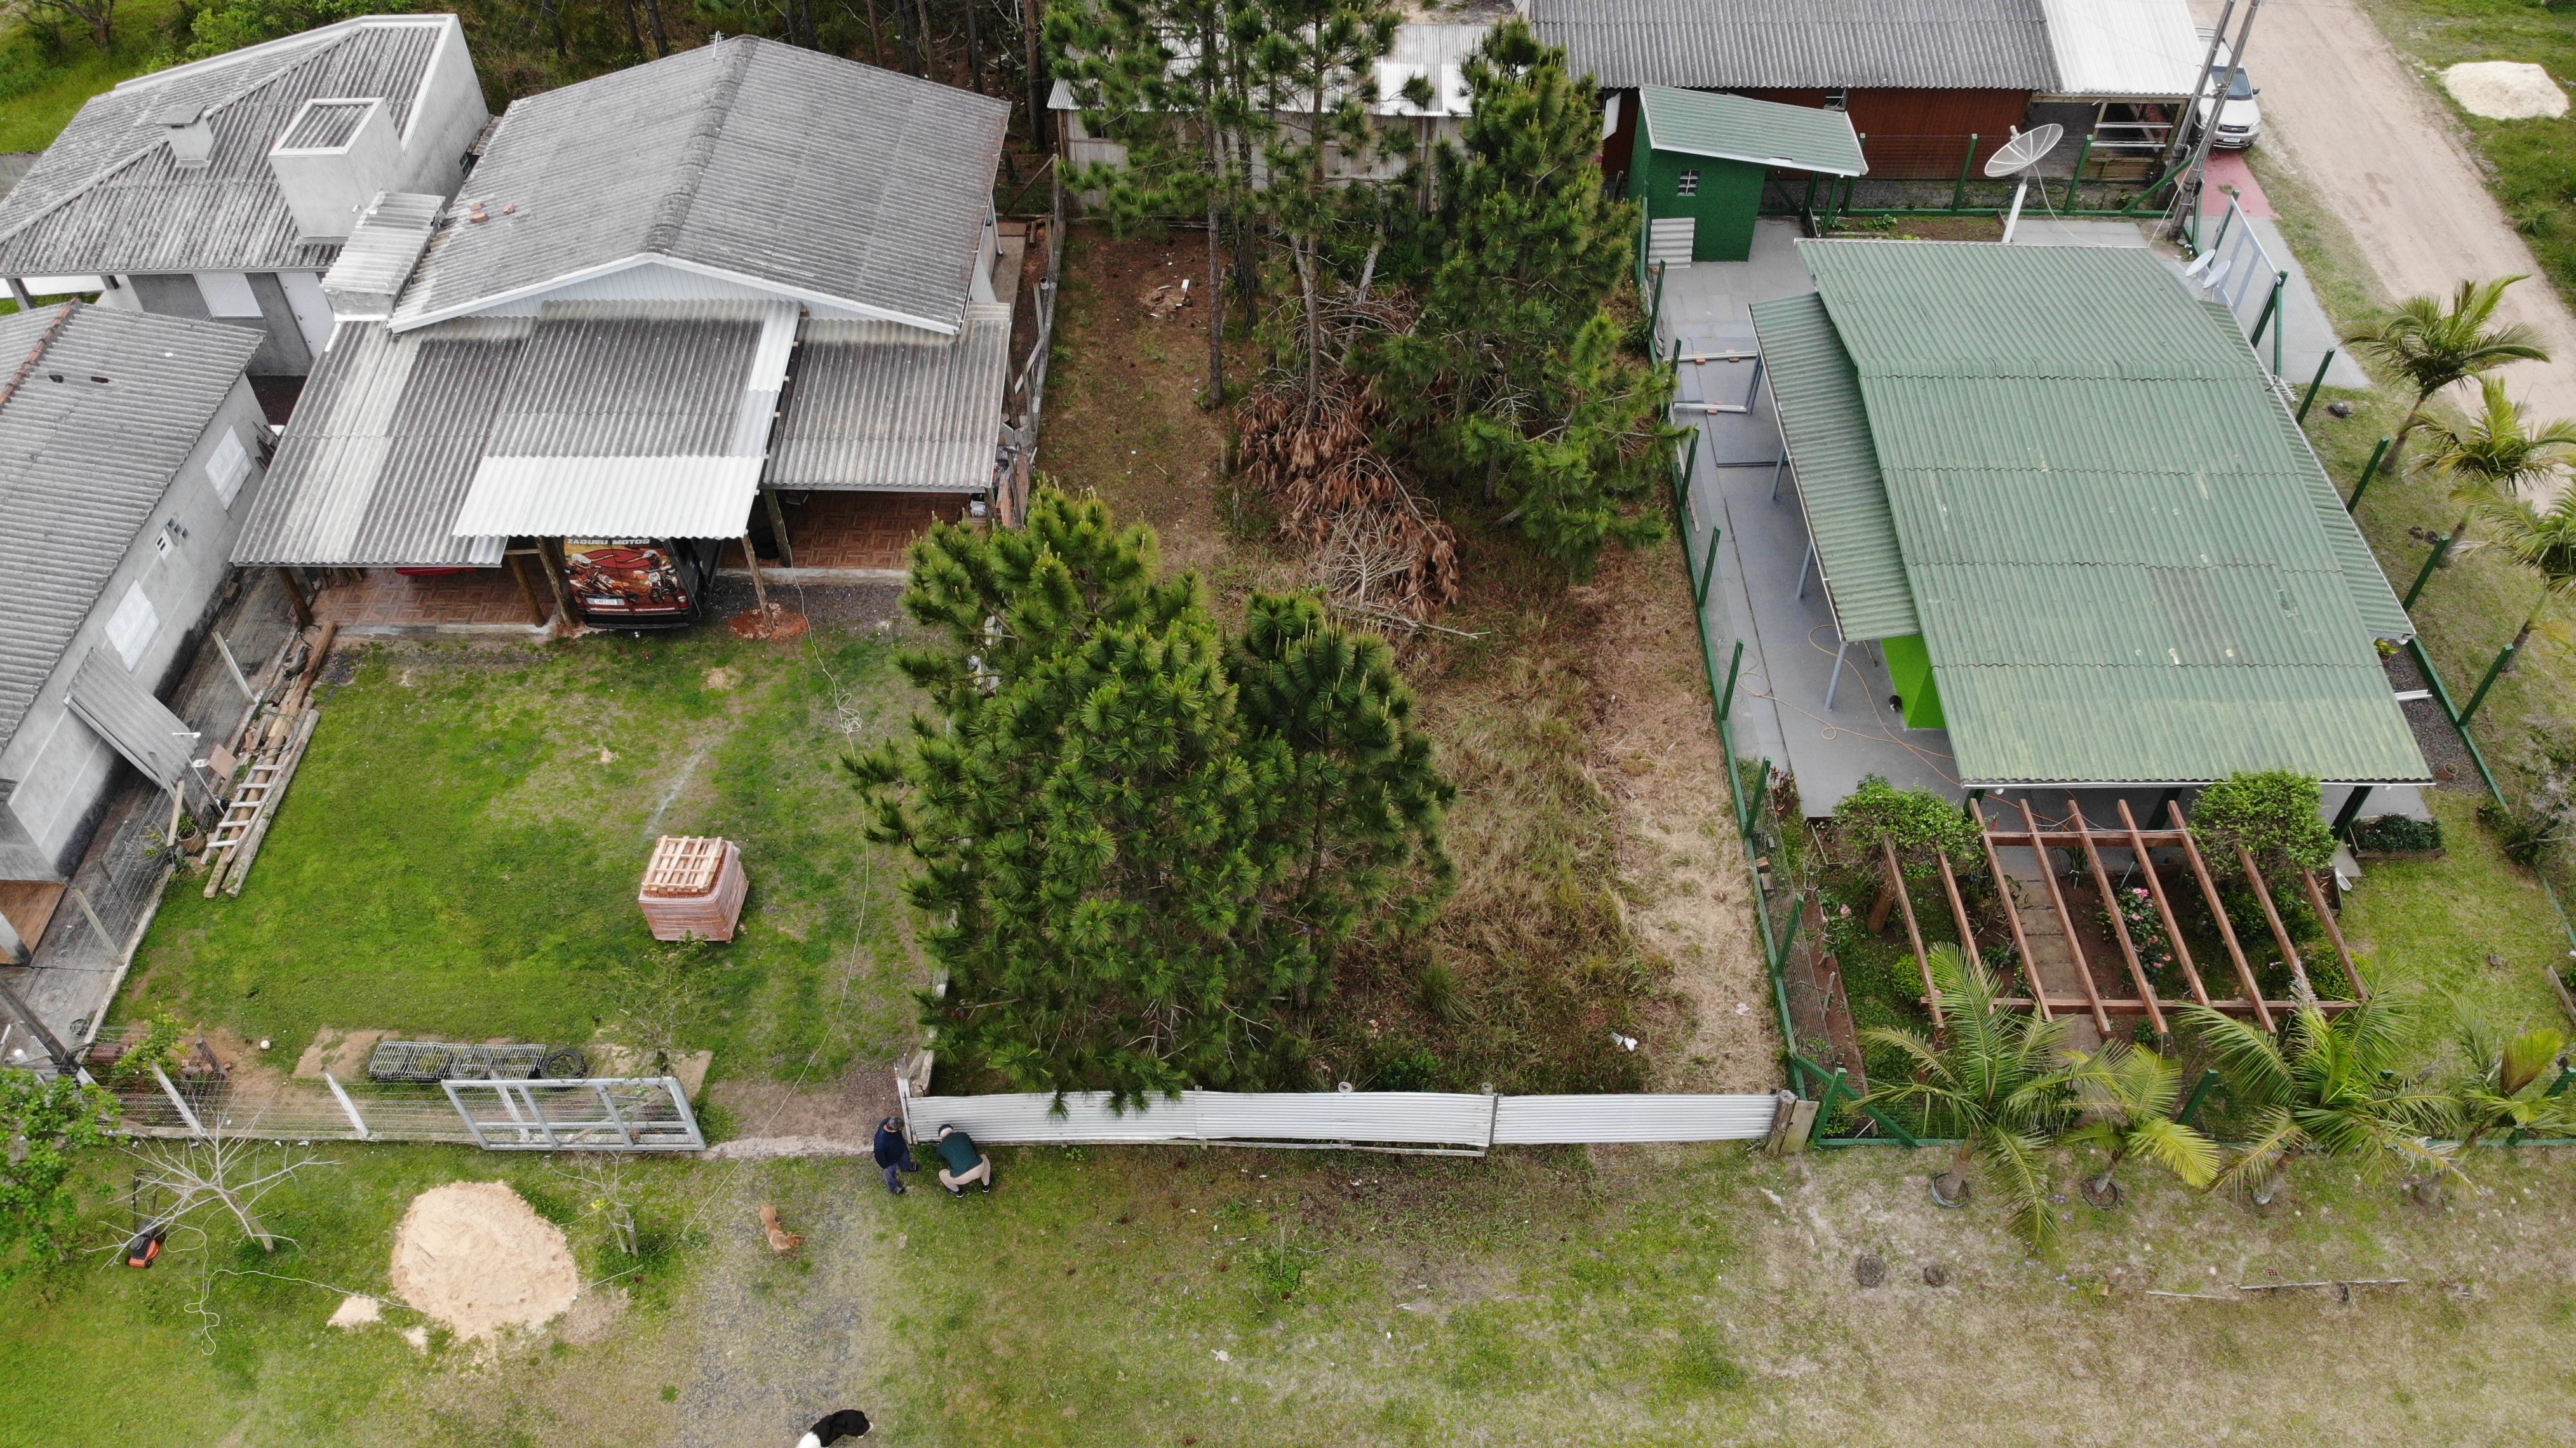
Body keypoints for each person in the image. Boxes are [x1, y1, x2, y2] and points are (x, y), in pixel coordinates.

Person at [934, 1123, 991, 1197]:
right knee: (983, 1157)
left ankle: (957, 1192)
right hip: (978, 1169)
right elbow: (974, 1148)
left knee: (942, 1174)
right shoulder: (963, 1135)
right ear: (953, 1131)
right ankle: (986, 1185)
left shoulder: (941, 1148)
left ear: (942, 1137)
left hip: (960, 1178)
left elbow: (941, 1159)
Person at [871, 1116, 916, 1196]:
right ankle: (894, 1187)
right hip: (891, 1160)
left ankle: (907, 1168)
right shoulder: (880, 1142)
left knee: (906, 1160)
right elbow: (879, 1156)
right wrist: (885, 1165)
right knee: (890, 1174)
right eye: (901, 1129)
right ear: (893, 1131)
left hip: (901, 1150)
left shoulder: (887, 1121)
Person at [796, 1408, 871, 1445]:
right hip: (842, 1417)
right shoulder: (812, 1433)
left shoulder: (823, 1442)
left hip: (848, 1423)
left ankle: (862, 1431)